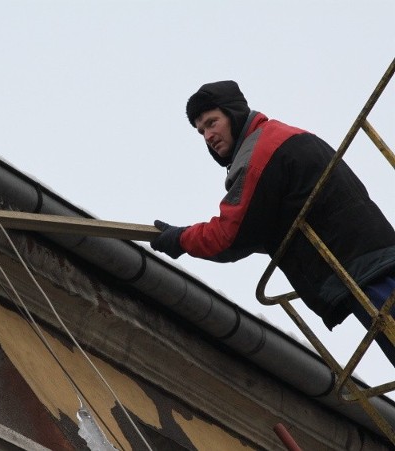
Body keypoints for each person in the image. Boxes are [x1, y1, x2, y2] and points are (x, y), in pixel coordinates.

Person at [150, 80, 395, 366]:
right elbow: (261, 225)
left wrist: (180, 239)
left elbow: (228, 236)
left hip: (363, 269)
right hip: (371, 259)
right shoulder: (281, 135)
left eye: (212, 122)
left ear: (233, 113)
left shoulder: (258, 155)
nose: (208, 135)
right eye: (201, 131)